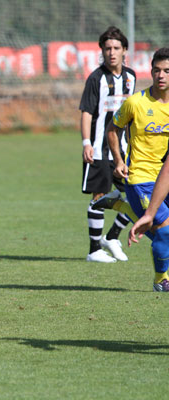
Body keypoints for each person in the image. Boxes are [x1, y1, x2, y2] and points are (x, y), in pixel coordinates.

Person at [107, 47, 169, 291]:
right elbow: (113, 129)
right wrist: (119, 161)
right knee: (164, 232)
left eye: (167, 71)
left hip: (164, 176)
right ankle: (161, 280)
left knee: (163, 232)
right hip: (140, 177)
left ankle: (121, 206)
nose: (161, 75)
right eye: (157, 70)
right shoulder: (135, 102)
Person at [79, 26, 136, 263]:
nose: (111, 52)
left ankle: (112, 237)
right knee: (99, 195)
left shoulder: (131, 77)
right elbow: (86, 113)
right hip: (99, 148)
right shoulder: (96, 78)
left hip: (124, 148)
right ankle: (94, 250)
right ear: (102, 51)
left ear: (124, 50)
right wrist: (86, 143)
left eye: (116, 48)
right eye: (107, 48)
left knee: (136, 195)